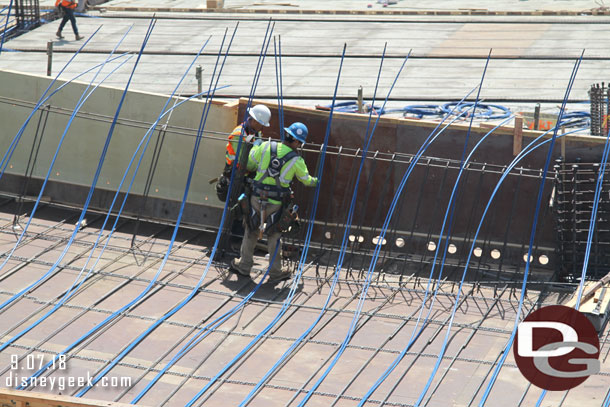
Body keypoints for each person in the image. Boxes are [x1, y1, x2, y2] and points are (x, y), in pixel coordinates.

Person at [230, 122, 318, 283]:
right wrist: (316, 181)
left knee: (251, 230)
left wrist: (256, 146)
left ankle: (244, 266)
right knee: (275, 235)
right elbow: (307, 181)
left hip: (256, 198)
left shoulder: (265, 147)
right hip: (276, 203)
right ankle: (276, 272)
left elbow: (250, 160)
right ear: (297, 142)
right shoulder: (296, 160)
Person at [215, 104, 271, 202]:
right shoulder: (239, 135)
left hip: (246, 177)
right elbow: (246, 163)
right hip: (236, 177)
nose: (262, 127)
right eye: (262, 124)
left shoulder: (256, 133)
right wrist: (262, 166)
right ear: (255, 121)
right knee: (236, 210)